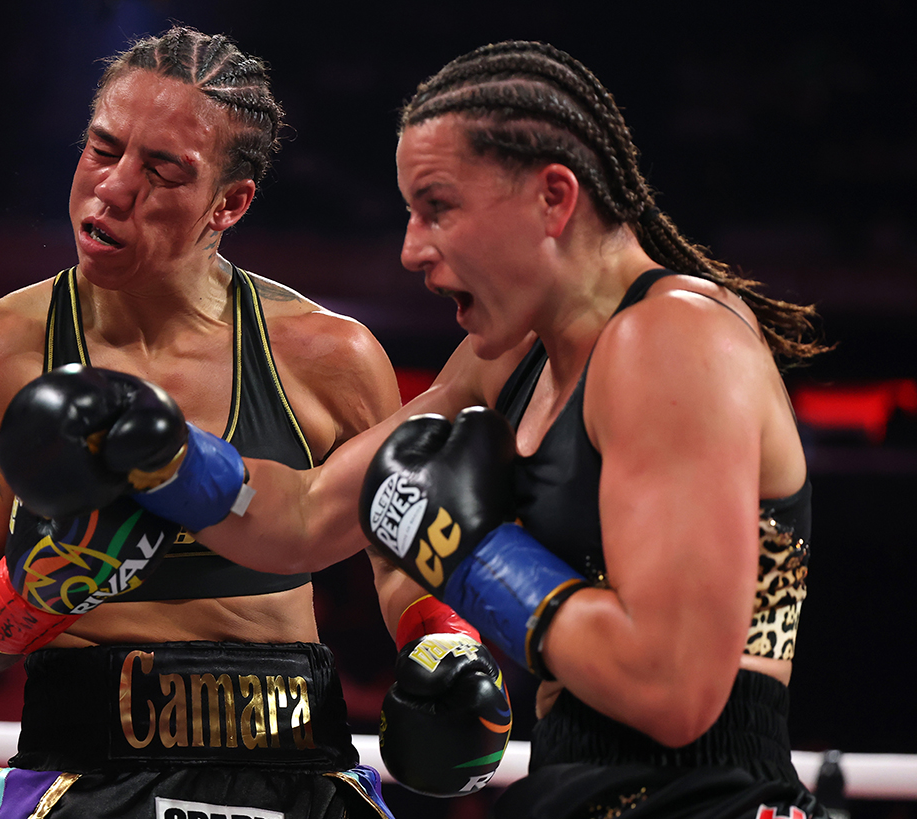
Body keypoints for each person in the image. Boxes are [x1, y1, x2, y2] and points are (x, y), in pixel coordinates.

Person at [124, 40, 828, 818]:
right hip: (579, 786)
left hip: (709, 799)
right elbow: (303, 515)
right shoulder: (510, 359)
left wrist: (473, 554)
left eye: (438, 207)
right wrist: (161, 455)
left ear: (553, 199)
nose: (412, 249)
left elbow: (672, 690)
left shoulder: (673, 339)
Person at [0, 25, 510, 819]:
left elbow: (404, 551)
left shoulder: (328, 355)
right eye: (102, 148)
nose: (113, 188)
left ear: (229, 202)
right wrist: (42, 587)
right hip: (88, 774)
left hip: (300, 767)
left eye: (162, 171)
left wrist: (443, 643)